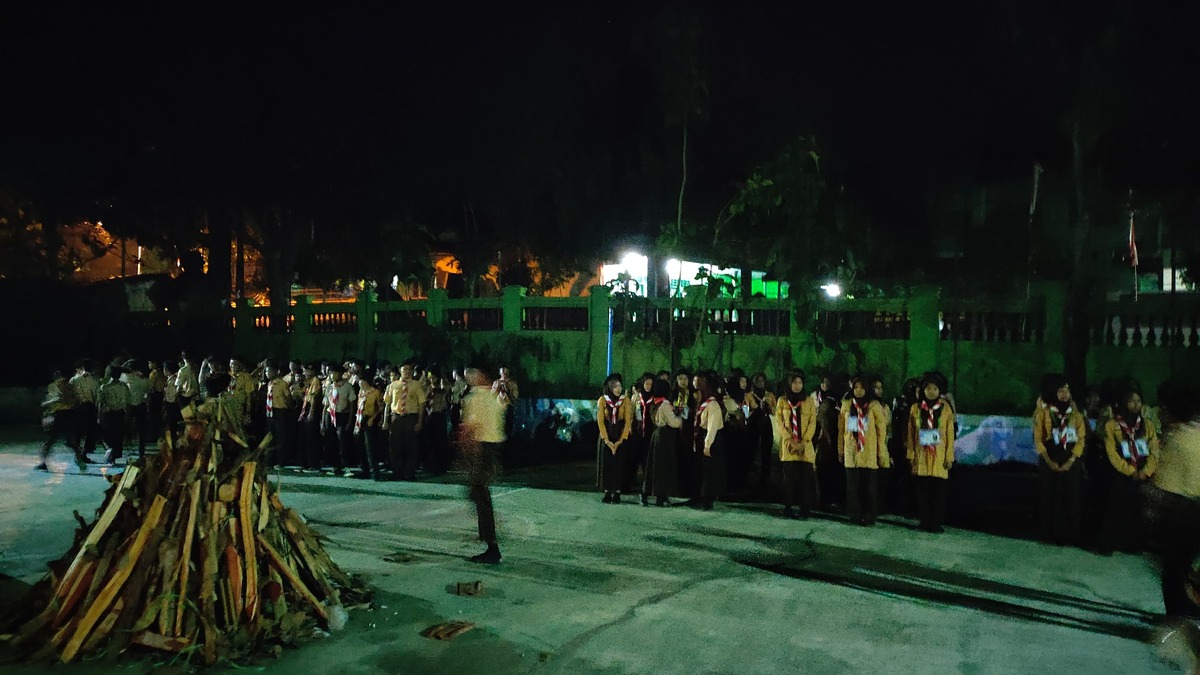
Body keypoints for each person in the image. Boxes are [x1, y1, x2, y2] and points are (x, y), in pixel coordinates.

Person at [1148, 379, 1200, 617]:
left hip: (1180, 513)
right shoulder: (1196, 432)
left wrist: (1150, 509)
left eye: (1162, 407)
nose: (1159, 413)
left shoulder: (1175, 438)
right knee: (1189, 571)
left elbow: (1164, 486)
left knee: (1174, 574)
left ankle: (1178, 620)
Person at [1099, 387, 1158, 554]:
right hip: (1121, 474)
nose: (1136, 404)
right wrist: (1129, 471)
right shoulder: (1112, 425)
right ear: (1123, 403)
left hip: (1142, 472)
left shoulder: (1148, 425)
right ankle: (1108, 544)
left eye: (1138, 401)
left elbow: (1154, 450)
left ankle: (1131, 545)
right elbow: (1112, 452)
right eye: (1132, 401)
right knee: (1115, 508)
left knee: (1136, 510)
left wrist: (1146, 471)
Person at [1033, 374, 1087, 545]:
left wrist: (1071, 460)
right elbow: (1038, 439)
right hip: (1050, 457)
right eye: (1060, 391)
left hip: (1071, 458)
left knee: (1071, 496)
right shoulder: (1044, 412)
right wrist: (1049, 461)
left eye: (1067, 391)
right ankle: (1048, 534)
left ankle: (1070, 535)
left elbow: (1081, 439)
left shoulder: (1075, 414)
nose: (1065, 395)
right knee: (1049, 496)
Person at [459, 368, 506, 564]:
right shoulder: (494, 396)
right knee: (479, 493)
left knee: (480, 494)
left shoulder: (476, 397)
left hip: (481, 448)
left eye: (471, 374)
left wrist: (467, 449)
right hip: (492, 447)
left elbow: (471, 427)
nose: (468, 378)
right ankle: (485, 534)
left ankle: (491, 545)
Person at [907, 371, 956, 533]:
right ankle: (924, 521)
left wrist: (949, 457)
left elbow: (950, 435)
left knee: (938, 494)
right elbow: (911, 434)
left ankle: (936, 523)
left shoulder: (945, 409)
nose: (931, 392)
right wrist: (911, 454)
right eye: (928, 388)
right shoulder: (915, 408)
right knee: (922, 493)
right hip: (921, 456)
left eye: (935, 389)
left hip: (939, 457)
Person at [839, 375, 890, 526]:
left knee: (869, 487)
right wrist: (840, 450)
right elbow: (841, 430)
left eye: (862, 387)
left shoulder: (874, 406)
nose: (859, 390)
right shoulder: (847, 405)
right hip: (852, 451)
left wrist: (881, 453)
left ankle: (869, 516)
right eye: (856, 387)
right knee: (852, 487)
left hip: (869, 452)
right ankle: (854, 515)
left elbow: (881, 431)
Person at [776, 371, 817, 519]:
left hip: (805, 446)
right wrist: (790, 440)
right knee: (789, 479)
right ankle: (788, 507)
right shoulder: (782, 401)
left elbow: (812, 423)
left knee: (805, 479)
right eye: (794, 382)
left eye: (799, 382)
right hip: (789, 446)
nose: (797, 385)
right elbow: (779, 422)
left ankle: (805, 508)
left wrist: (803, 442)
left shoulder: (809, 401)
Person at [384, 361, 427, 480]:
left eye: (409, 370)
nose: (407, 372)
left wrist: (420, 421)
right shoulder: (393, 385)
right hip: (396, 417)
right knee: (395, 445)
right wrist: (385, 421)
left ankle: (409, 473)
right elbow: (387, 403)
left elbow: (422, 403)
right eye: (404, 369)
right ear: (400, 371)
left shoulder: (416, 385)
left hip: (410, 417)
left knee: (411, 446)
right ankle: (397, 472)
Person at [642, 378, 681, 506]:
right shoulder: (664, 404)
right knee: (663, 467)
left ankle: (646, 493)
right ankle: (661, 496)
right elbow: (674, 422)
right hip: (665, 436)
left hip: (656, 434)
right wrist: (681, 418)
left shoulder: (654, 402)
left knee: (653, 466)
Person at [597, 373, 633, 504]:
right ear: (610, 388)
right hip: (607, 434)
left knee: (619, 465)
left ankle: (617, 492)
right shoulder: (603, 400)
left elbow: (628, 421)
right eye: (615, 386)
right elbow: (600, 421)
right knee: (607, 465)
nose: (618, 389)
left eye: (620, 386)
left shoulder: (625, 400)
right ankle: (607, 492)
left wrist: (620, 440)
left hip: (620, 435)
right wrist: (606, 440)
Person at [694, 370, 727, 511]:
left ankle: (708, 499)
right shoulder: (704, 403)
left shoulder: (712, 405)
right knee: (704, 470)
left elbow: (712, 427)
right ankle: (702, 496)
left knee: (710, 470)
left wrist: (707, 445)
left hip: (712, 439)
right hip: (705, 436)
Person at [38, 369, 81, 470]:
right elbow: (76, 400)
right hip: (66, 414)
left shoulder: (61, 387)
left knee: (52, 440)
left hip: (61, 414)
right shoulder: (69, 386)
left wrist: (47, 404)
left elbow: (59, 399)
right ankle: (79, 460)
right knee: (69, 440)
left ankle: (43, 462)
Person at [322, 364, 356, 477]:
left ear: (341, 374)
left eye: (335, 373)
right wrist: (323, 422)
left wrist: (350, 421)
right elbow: (326, 405)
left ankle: (346, 466)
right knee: (331, 441)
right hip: (330, 415)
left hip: (342, 415)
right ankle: (335, 466)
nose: (333, 375)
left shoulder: (348, 387)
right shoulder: (329, 387)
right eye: (331, 373)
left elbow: (352, 404)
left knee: (343, 441)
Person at [747, 372, 778, 487]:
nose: (760, 383)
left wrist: (769, 406)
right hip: (753, 423)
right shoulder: (749, 395)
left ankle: (765, 476)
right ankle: (749, 474)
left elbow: (775, 412)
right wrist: (754, 409)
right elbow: (746, 412)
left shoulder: (769, 395)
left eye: (762, 380)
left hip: (766, 422)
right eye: (758, 380)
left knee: (767, 450)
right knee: (751, 449)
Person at [629, 372, 656, 499]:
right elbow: (631, 413)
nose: (648, 386)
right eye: (647, 383)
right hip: (638, 430)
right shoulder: (636, 397)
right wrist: (630, 427)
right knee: (634, 457)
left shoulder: (654, 398)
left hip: (650, 430)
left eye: (651, 384)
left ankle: (648, 486)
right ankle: (630, 483)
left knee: (647, 459)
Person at [96, 365, 131, 465]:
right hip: (120, 413)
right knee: (118, 436)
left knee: (107, 434)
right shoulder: (124, 386)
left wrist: (99, 416)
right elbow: (128, 401)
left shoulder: (104, 387)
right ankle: (114, 456)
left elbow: (100, 403)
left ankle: (111, 453)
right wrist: (127, 415)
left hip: (108, 414)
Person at [355, 369, 385, 480]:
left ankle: (374, 472)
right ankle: (364, 470)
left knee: (370, 447)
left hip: (370, 419)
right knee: (361, 446)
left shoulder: (375, 392)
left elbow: (380, 408)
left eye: (361, 381)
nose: (359, 383)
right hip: (360, 419)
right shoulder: (361, 392)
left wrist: (372, 418)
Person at [263, 361, 294, 468]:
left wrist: (290, 410)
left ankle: (281, 461)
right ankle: (270, 461)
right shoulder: (269, 384)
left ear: (277, 371)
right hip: (270, 412)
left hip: (280, 411)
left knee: (281, 437)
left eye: (270, 371)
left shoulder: (282, 383)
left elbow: (288, 398)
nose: (268, 373)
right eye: (267, 371)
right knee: (270, 437)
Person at [120, 360, 150, 458]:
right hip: (141, 405)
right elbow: (149, 390)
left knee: (125, 427)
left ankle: (122, 448)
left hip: (129, 405)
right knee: (141, 430)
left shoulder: (125, 377)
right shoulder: (144, 380)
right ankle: (141, 451)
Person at [70, 359, 99, 460]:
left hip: (77, 407)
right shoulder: (94, 381)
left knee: (77, 431)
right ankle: (84, 454)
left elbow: (70, 393)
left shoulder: (74, 379)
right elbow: (97, 397)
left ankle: (77, 453)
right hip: (89, 407)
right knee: (90, 432)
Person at [424, 368, 451, 475]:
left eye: (434, 377)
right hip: (429, 416)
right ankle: (432, 465)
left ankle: (442, 465)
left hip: (439, 415)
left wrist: (442, 378)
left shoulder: (442, 388)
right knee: (430, 441)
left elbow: (446, 389)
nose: (431, 379)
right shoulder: (427, 388)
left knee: (440, 441)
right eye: (430, 377)